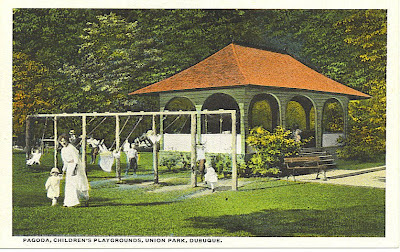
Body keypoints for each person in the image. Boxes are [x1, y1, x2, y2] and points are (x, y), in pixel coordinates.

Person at [58, 134, 90, 207]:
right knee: (70, 185)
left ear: (67, 141)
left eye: (64, 141)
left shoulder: (71, 148)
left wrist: (75, 169)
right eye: (61, 142)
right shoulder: (63, 150)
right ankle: (69, 202)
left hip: (76, 167)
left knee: (79, 183)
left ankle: (86, 198)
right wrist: (63, 170)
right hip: (69, 168)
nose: (63, 143)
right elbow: (65, 162)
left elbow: (76, 159)